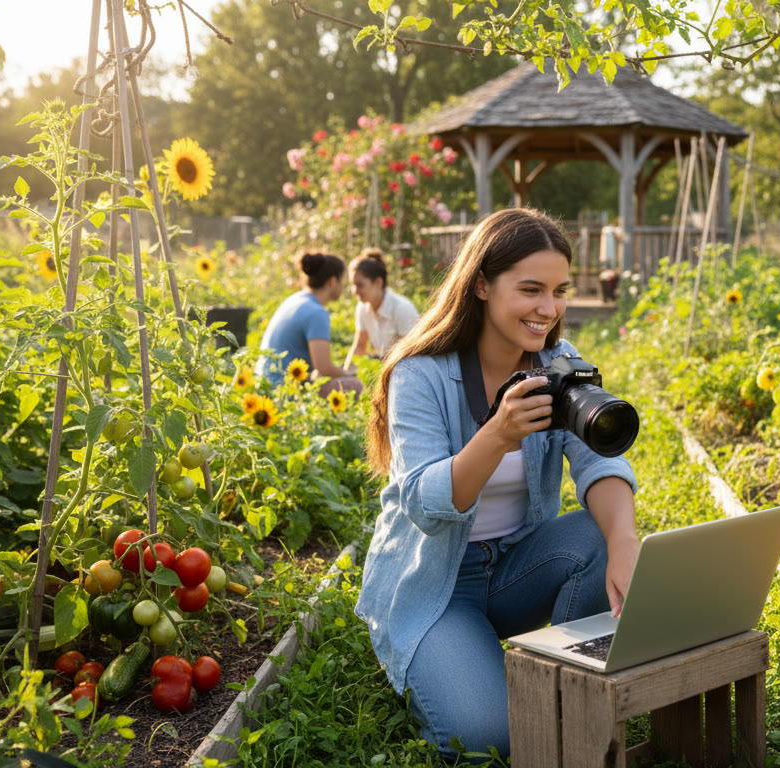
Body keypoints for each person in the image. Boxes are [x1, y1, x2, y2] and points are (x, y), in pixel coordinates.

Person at [355, 208, 639, 762]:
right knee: (490, 738)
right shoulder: (421, 373)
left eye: (559, 291)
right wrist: (496, 434)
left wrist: (626, 543)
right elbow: (423, 501)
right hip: (435, 584)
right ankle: (439, 663)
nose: (548, 308)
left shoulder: (559, 365)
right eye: (530, 289)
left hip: (515, 568)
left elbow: (600, 463)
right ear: (481, 283)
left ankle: (568, 684)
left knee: (602, 532)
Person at [254, 250, 363, 396]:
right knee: (357, 386)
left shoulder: (294, 300)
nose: (343, 287)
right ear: (332, 281)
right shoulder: (316, 313)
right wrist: (348, 374)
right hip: (284, 390)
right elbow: (324, 369)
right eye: (341, 281)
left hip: (263, 383)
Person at [343, 247, 420, 366]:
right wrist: (345, 377)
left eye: (360, 285)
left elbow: (410, 355)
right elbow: (359, 347)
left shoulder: (402, 308)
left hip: (407, 367)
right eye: (352, 285)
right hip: (385, 365)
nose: (354, 291)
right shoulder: (362, 307)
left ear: (378, 282)